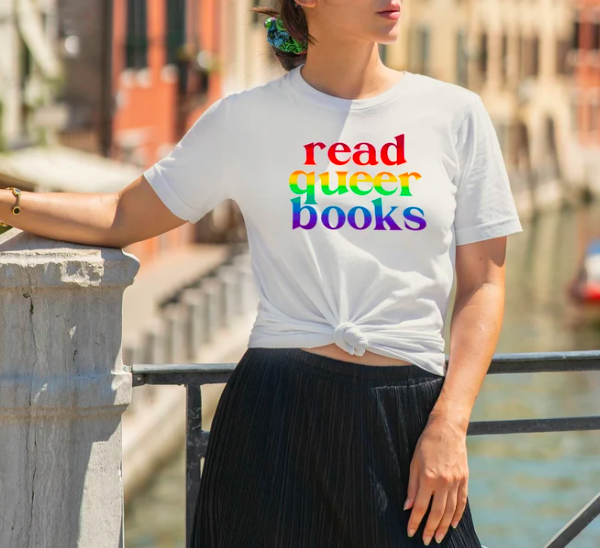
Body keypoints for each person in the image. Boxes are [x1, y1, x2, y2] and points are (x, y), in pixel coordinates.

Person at [0, 0, 522, 546]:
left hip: (410, 420)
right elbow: (123, 216)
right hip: (276, 419)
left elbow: (484, 283)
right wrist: (8, 202)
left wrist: (450, 423)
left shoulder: (455, 114)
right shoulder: (244, 118)